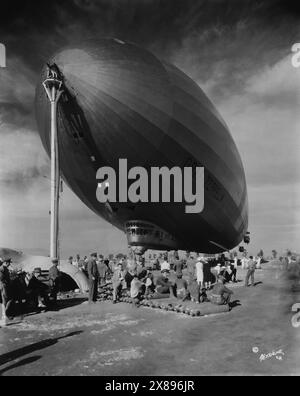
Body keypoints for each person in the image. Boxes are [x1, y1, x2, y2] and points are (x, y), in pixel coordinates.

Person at [0, 258, 13, 325]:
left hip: (5, 286)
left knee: (8, 299)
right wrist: (6, 282)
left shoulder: (5, 268)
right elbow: (1, 278)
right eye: (8, 263)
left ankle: (5, 314)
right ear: (5, 262)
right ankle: (5, 315)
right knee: (5, 300)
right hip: (3, 286)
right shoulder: (2, 268)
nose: (9, 264)